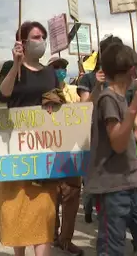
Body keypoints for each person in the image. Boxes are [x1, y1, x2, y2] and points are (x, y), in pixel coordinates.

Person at [85, 42, 137, 255]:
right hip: (112, 191)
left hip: (135, 186)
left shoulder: (121, 98)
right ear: (131, 70)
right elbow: (118, 143)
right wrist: (133, 111)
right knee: (112, 250)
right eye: (136, 67)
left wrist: (135, 168)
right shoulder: (107, 99)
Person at [0, 21, 64, 256]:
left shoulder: (50, 73)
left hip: (43, 149)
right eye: (36, 37)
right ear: (22, 42)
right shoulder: (10, 67)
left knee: (43, 210)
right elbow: (3, 95)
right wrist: (16, 66)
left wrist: (56, 103)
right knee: (17, 208)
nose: (41, 40)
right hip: (16, 149)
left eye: (43, 36)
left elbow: (57, 102)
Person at [46, 56, 83, 255]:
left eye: (63, 67)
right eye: (56, 67)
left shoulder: (74, 91)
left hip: (72, 151)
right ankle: (52, 236)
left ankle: (66, 239)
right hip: (51, 152)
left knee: (72, 196)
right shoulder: (43, 91)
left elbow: (82, 112)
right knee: (52, 197)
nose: (61, 70)